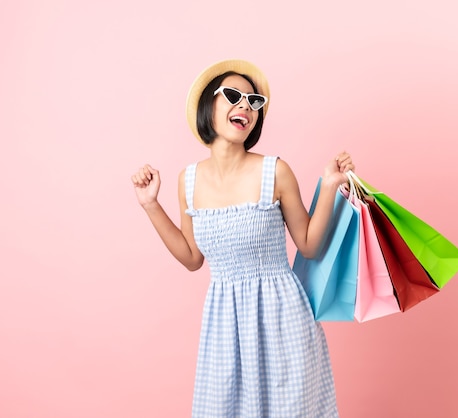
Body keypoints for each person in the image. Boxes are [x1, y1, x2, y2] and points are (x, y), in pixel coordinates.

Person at [131, 59, 354, 417]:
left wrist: (328, 186)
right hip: (224, 323)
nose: (245, 107)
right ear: (209, 106)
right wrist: (150, 205)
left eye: (254, 102)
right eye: (233, 96)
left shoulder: (275, 171)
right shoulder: (187, 181)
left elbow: (310, 245)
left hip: (283, 318)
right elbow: (192, 258)